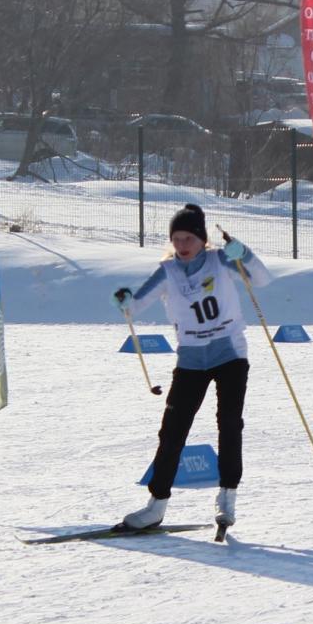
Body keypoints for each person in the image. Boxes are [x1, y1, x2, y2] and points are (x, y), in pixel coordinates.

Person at [114, 203, 271, 530]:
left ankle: (227, 498)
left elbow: (262, 279)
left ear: (202, 239)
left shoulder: (220, 260)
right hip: (191, 358)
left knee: (229, 424)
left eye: (189, 238)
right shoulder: (168, 271)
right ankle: (156, 505)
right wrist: (125, 301)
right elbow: (136, 305)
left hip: (229, 352)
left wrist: (244, 254)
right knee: (172, 431)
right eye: (177, 239)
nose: (182, 245)